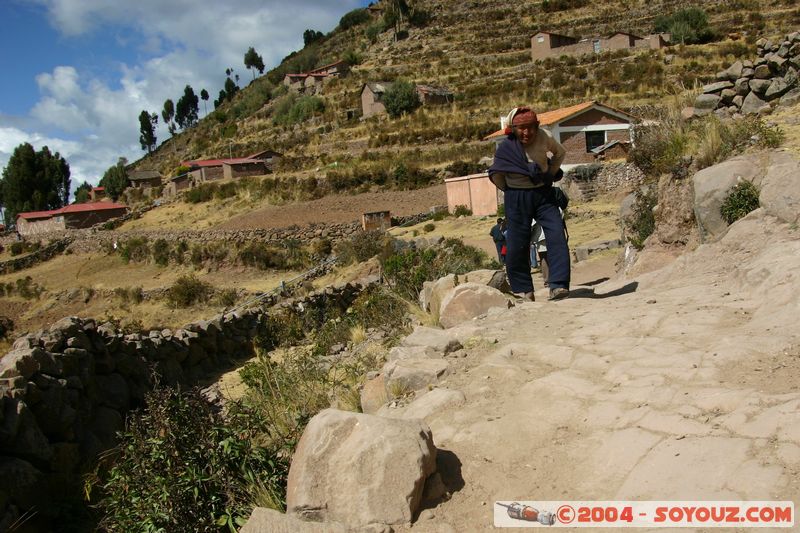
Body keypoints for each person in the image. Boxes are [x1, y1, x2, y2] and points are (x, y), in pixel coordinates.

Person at [487, 106, 570, 301]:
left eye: (531, 127)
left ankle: (558, 285)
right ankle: (525, 290)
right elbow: (497, 173)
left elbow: (560, 152)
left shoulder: (544, 136)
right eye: (521, 128)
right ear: (513, 129)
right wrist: (509, 189)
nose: (527, 132)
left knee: (556, 233)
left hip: (543, 193)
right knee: (517, 243)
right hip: (516, 197)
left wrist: (550, 173)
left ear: (537, 126)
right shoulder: (506, 147)